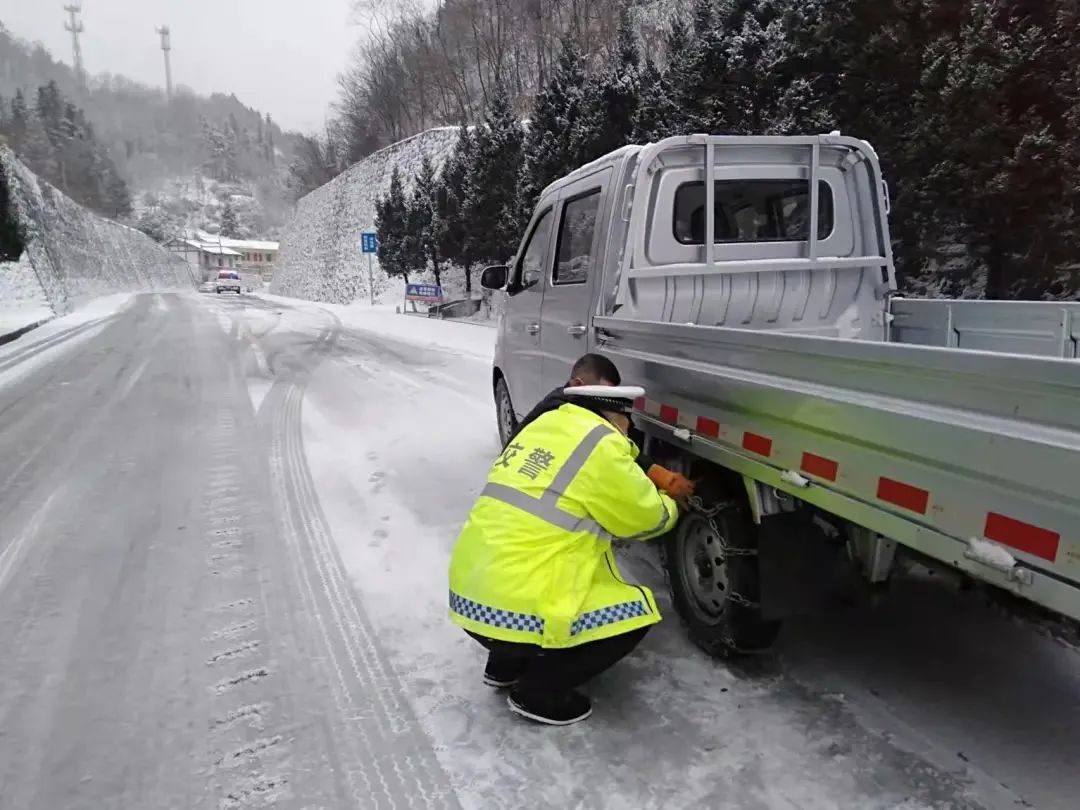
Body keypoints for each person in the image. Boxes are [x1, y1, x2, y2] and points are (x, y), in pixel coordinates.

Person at [448, 379, 683, 725]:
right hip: (513, 604)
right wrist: (671, 502)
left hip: (470, 597)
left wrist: (648, 467)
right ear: (610, 416)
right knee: (636, 613)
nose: (629, 428)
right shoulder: (602, 447)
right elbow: (648, 520)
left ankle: (504, 664)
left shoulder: (545, 427)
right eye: (626, 419)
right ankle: (539, 692)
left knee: (522, 565)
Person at [506, 354, 695, 498]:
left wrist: (655, 470)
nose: (607, 401)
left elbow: (617, 447)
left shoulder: (563, 403)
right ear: (578, 384)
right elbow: (608, 452)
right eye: (601, 392)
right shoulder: (565, 415)